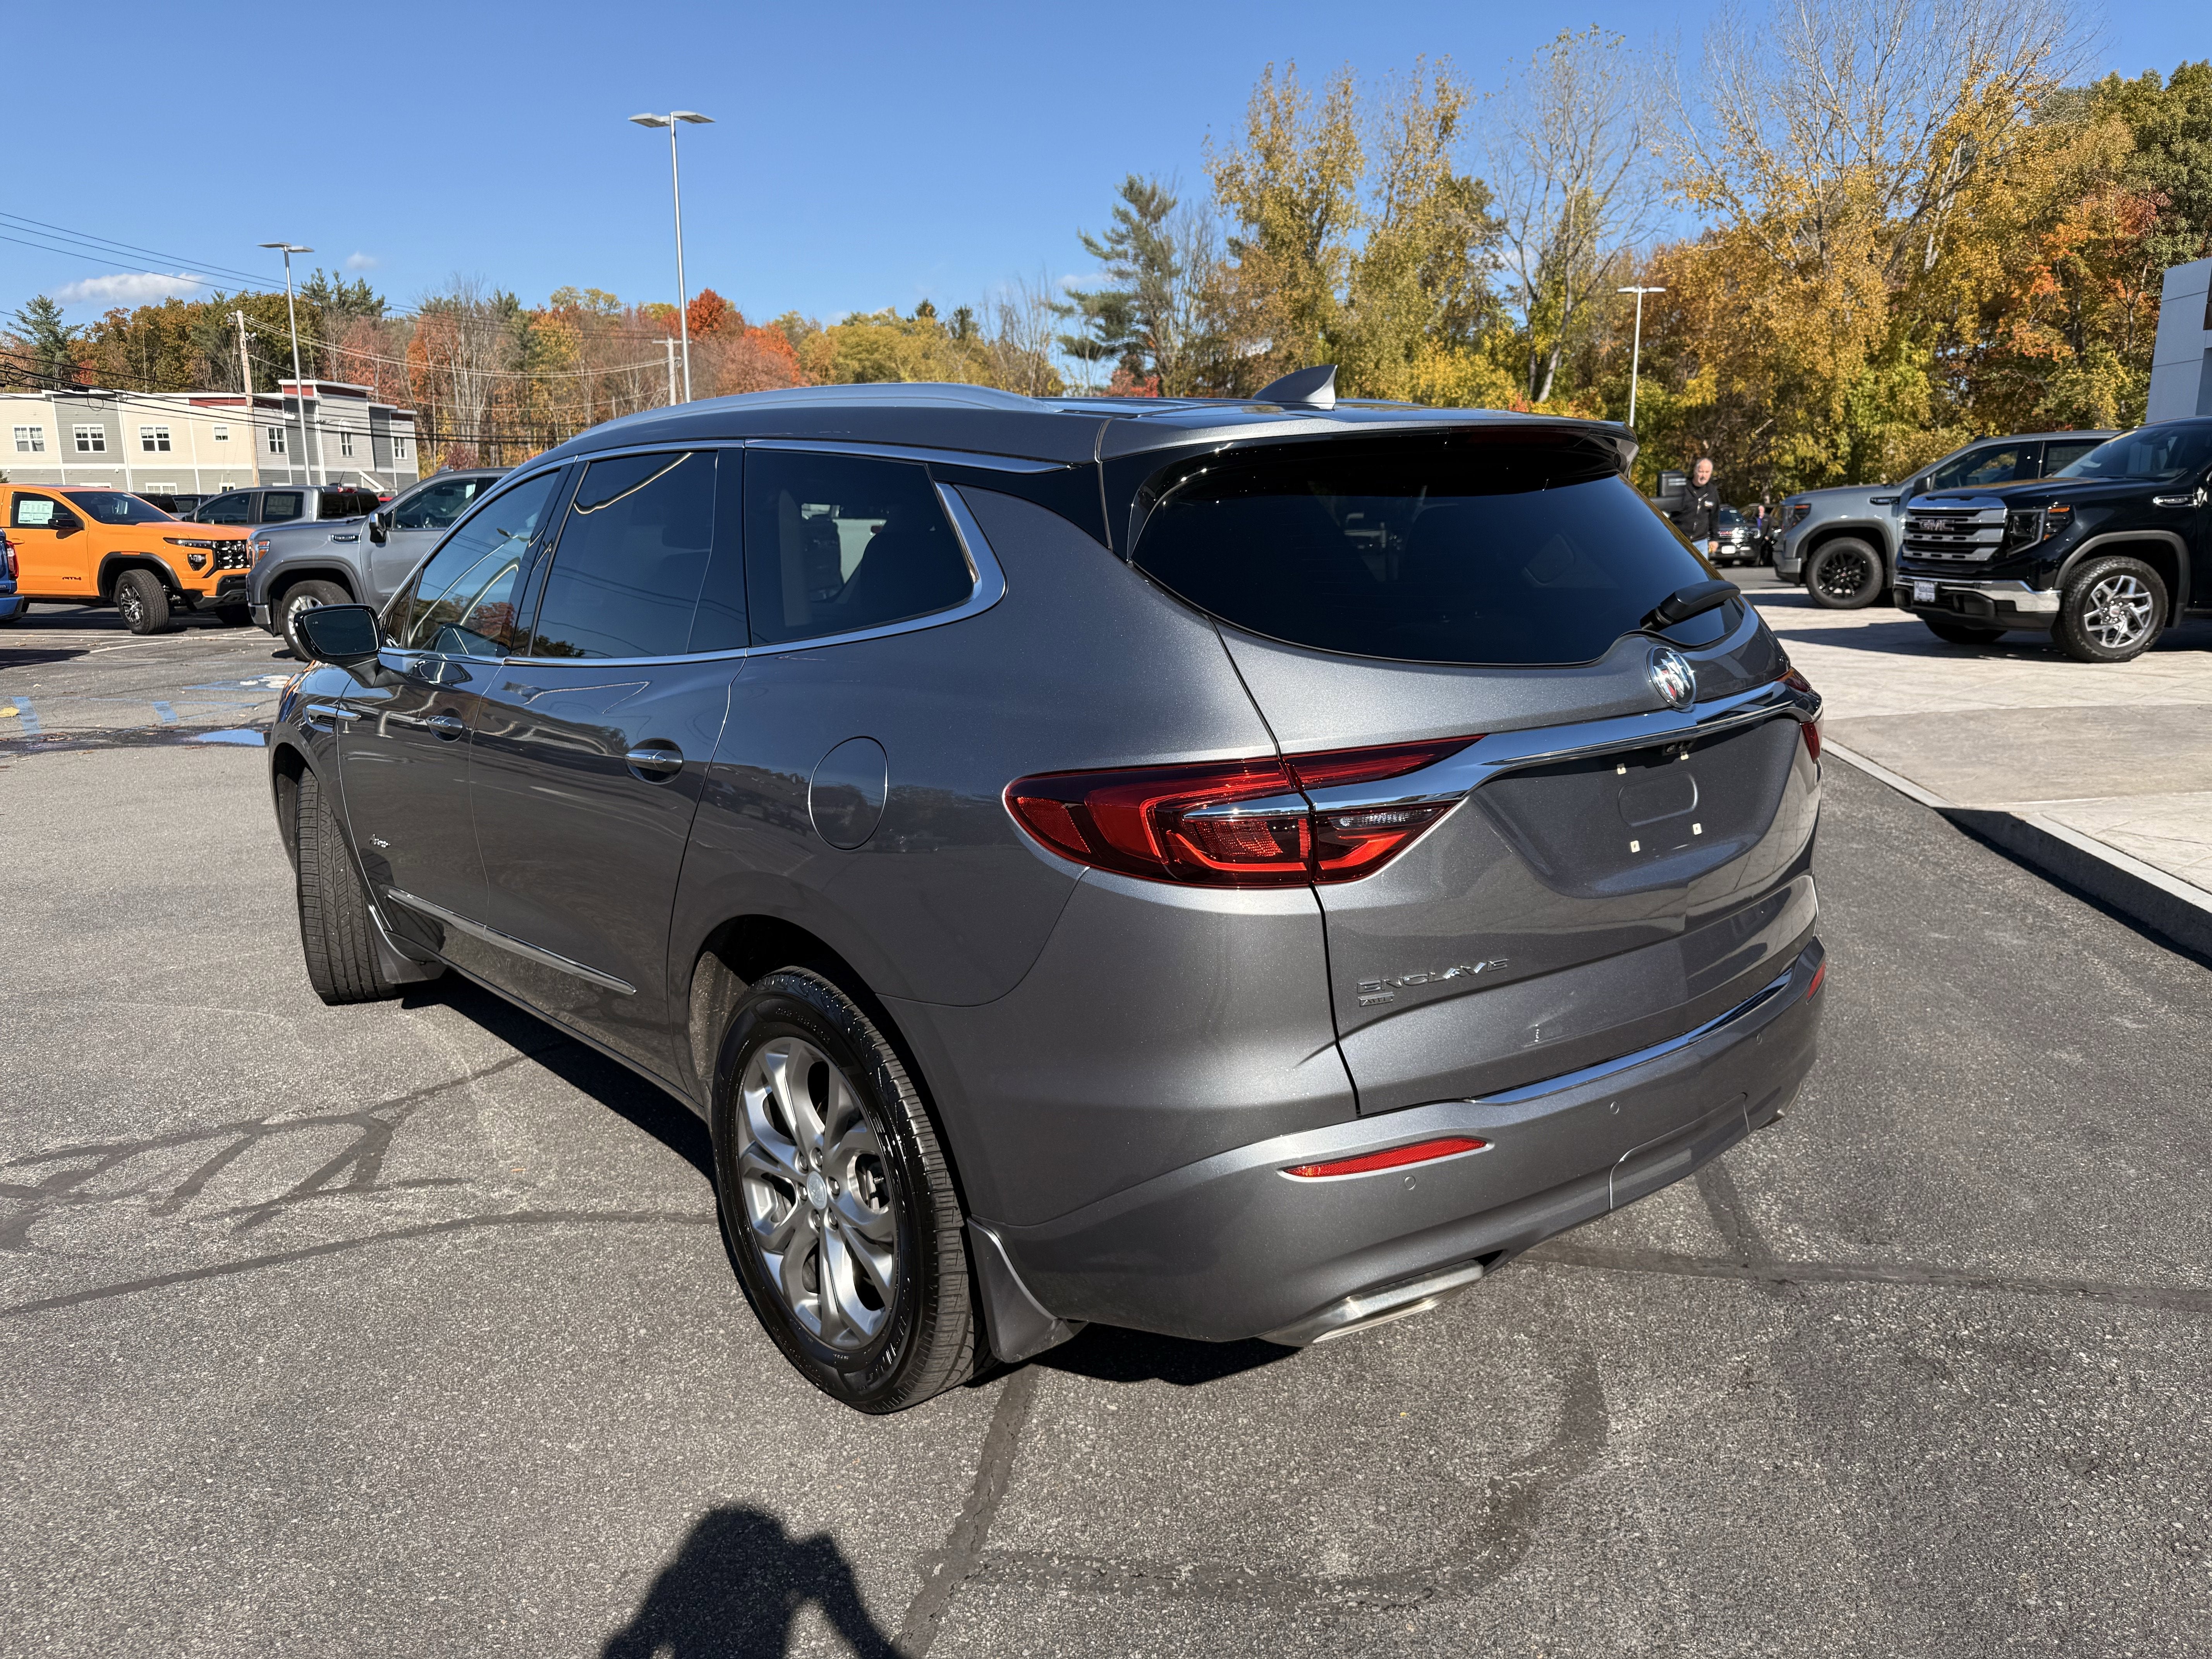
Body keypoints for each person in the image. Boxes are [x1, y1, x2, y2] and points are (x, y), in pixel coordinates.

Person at [1671, 457, 1722, 555]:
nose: (1704, 476)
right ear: (1695, 471)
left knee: (1700, 571)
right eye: (1701, 472)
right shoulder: (1683, 488)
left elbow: (1715, 518)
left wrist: (1714, 539)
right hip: (1678, 540)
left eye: (1707, 472)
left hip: (1700, 542)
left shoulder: (1712, 491)